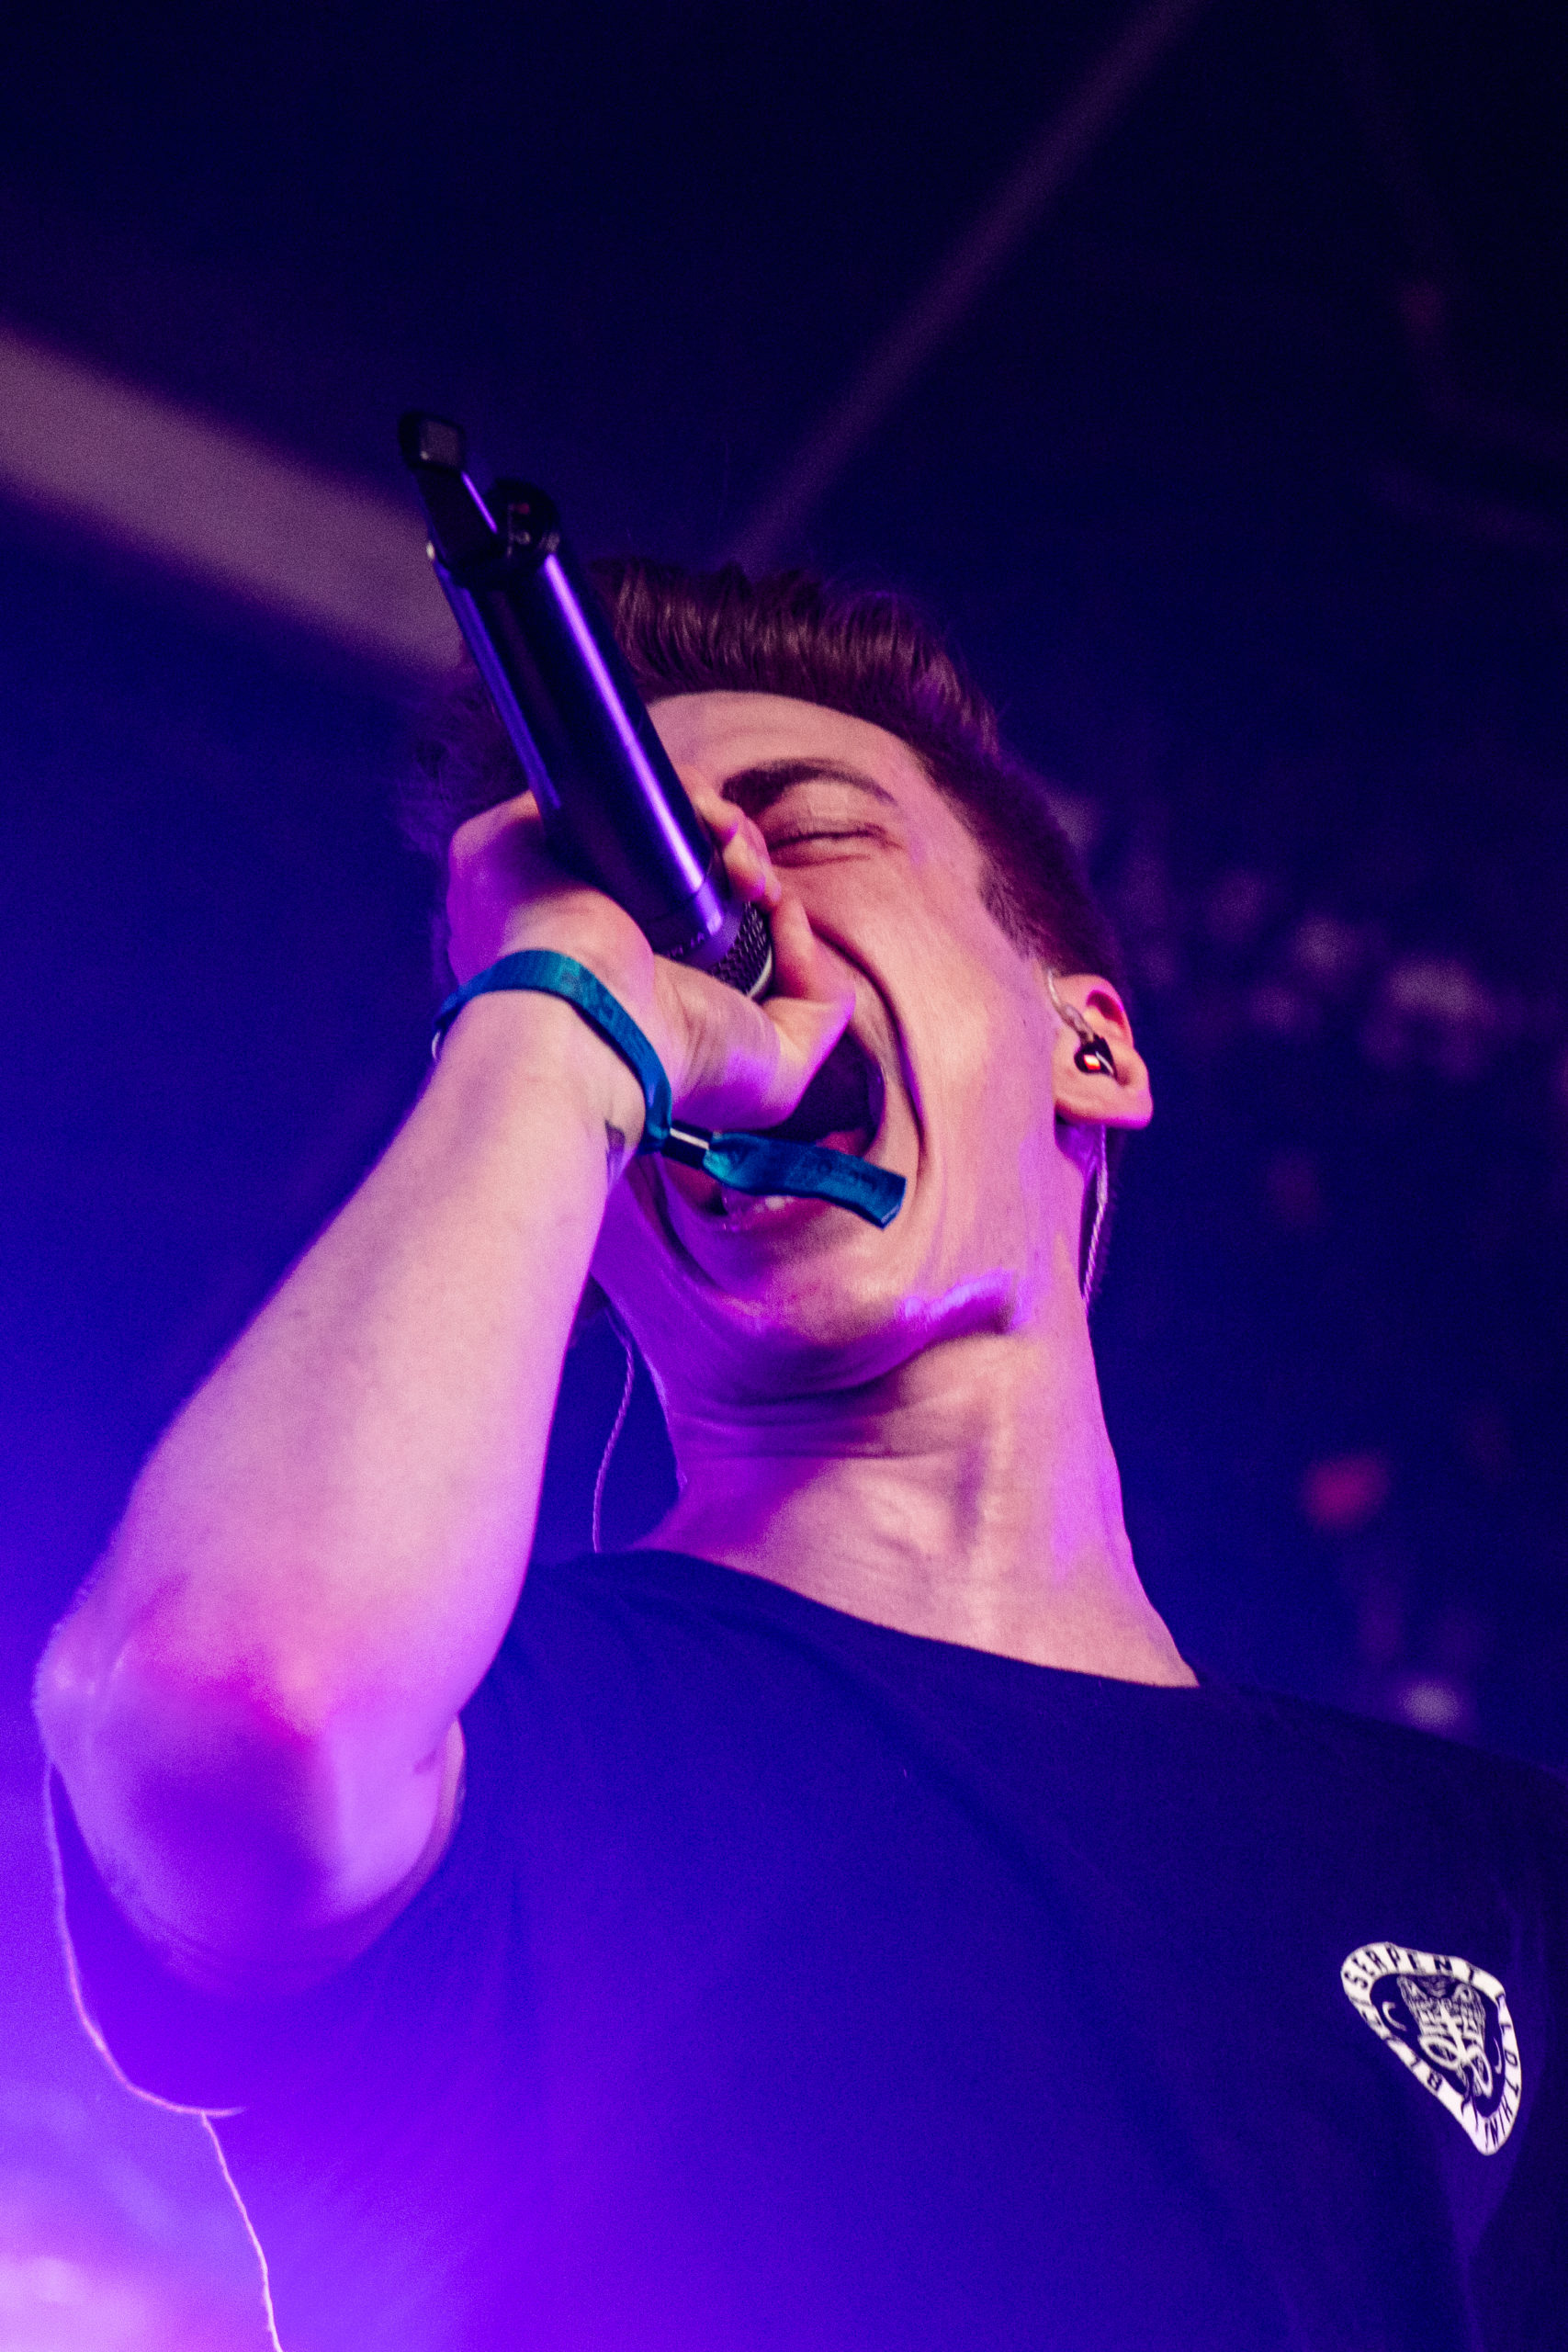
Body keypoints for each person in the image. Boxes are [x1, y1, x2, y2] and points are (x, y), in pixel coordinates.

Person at [36, 564, 1568, 2352]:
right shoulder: (486, 1725)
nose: (716, 927)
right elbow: (231, 1699)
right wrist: (554, 1020)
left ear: (1089, 1042)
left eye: (809, 831)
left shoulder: (1488, 1868)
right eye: (626, 905)